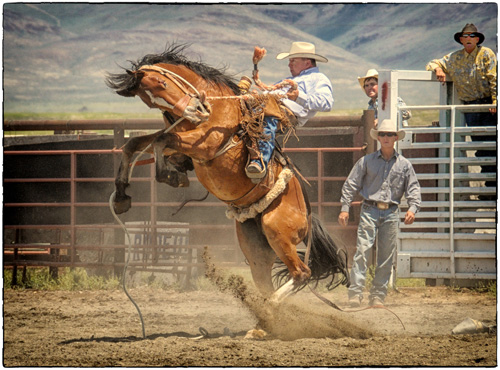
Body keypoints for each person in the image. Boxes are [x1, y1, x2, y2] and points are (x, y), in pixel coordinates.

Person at [338, 119, 421, 307]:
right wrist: (345, 208)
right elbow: (351, 184)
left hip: (391, 212)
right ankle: (356, 292)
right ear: (378, 137)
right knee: (362, 250)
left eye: (390, 134)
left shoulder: (405, 165)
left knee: (386, 255)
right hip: (369, 209)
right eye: (382, 134)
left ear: (395, 138)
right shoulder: (366, 161)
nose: (386, 137)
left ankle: (377, 295)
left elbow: (413, 189)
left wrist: (412, 208)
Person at [245, 41, 334, 179]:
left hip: (287, 115)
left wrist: (299, 97)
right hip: (269, 106)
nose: (289, 64)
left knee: (269, 114)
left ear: (307, 62)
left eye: (293, 61)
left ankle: (260, 160)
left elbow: (327, 103)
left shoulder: (319, 78)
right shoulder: (288, 80)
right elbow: (267, 91)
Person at [426, 23, 497, 193]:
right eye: (465, 37)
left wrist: (495, 101)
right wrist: (438, 69)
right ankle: (489, 190)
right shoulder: (454, 58)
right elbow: (432, 63)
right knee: (481, 149)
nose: (468, 39)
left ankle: (493, 189)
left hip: (488, 106)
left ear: (478, 39)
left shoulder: (486, 54)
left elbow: (494, 77)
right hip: (470, 107)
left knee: (493, 146)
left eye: (472, 36)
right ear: (461, 40)